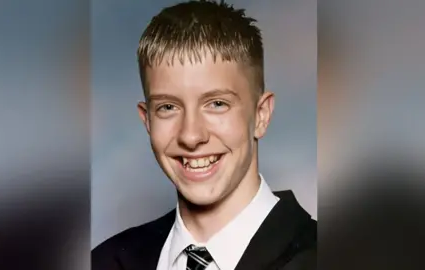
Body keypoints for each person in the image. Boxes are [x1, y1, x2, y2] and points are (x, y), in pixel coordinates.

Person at [92, 1, 316, 269]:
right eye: (168, 107)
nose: (191, 135)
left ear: (261, 115)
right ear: (147, 120)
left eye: (217, 104)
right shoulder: (103, 261)